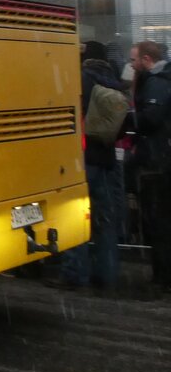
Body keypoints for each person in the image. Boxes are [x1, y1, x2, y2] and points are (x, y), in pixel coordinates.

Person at [55, 41, 126, 290]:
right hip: (107, 160)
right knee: (105, 221)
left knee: (75, 218)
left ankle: (75, 274)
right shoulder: (115, 80)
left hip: (82, 160)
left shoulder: (81, 79)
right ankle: (107, 275)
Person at [131, 40, 171, 293]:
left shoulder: (156, 83)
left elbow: (150, 119)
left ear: (146, 60)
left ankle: (162, 276)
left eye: (134, 60)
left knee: (158, 221)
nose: (131, 65)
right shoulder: (161, 81)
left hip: (157, 161)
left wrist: (130, 118)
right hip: (162, 157)